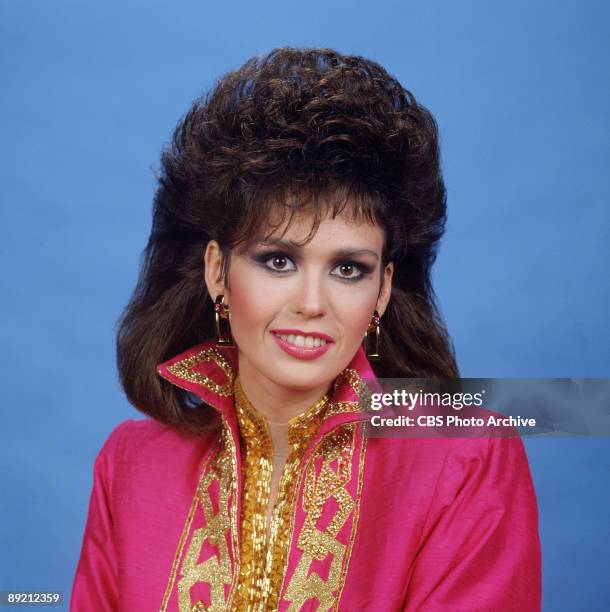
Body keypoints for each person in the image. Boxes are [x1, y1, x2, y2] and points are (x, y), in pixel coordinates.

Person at [70, 48, 541, 611]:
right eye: (278, 261)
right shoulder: (132, 464)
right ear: (217, 271)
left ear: (383, 289)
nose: (313, 304)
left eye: (348, 269)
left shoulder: (465, 457)